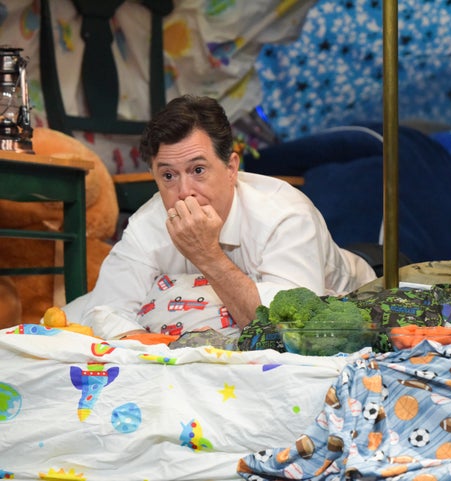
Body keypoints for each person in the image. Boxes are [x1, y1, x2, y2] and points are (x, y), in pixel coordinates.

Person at [66, 95, 376, 339]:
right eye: (169, 175)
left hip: (364, 278)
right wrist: (146, 346)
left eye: (198, 170)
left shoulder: (285, 216)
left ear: (231, 169)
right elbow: (106, 309)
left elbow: (290, 327)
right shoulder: (148, 224)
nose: (184, 191)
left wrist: (207, 255)